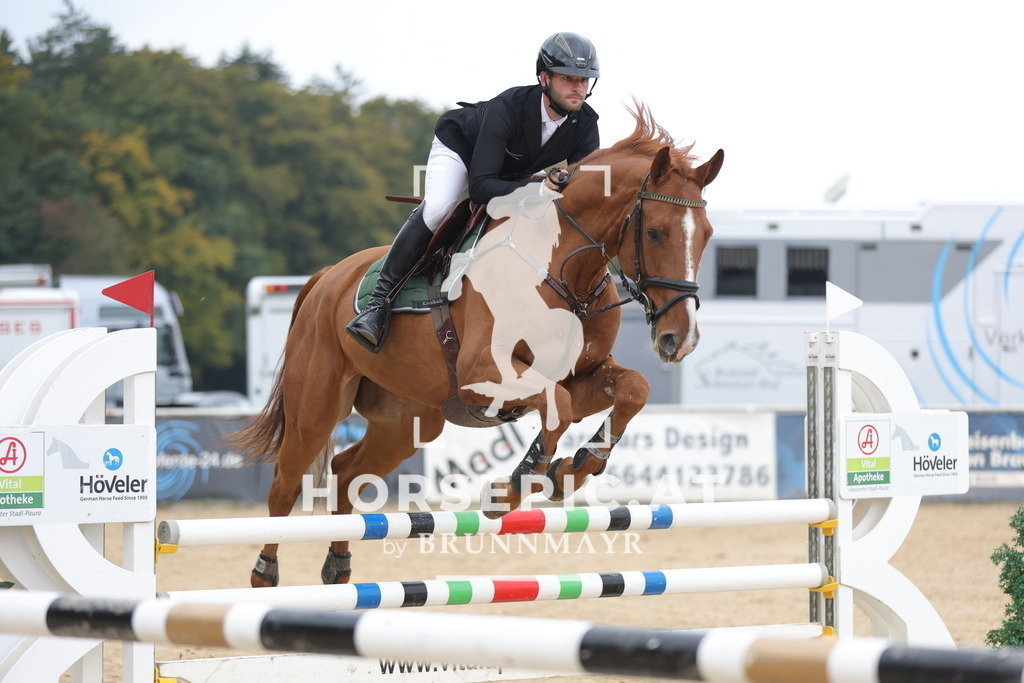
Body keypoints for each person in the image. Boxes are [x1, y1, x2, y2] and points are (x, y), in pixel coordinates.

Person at [346, 31, 602, 353]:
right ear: (544, 78)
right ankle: (377, 303)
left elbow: (580, 191)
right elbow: (480, 188)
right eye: (568, 78)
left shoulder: (586, 122)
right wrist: (539, 187)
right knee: (439, 208)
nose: (578, 87)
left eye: (584, 80)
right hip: (461, 152)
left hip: (511, 169)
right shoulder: (508, 108)